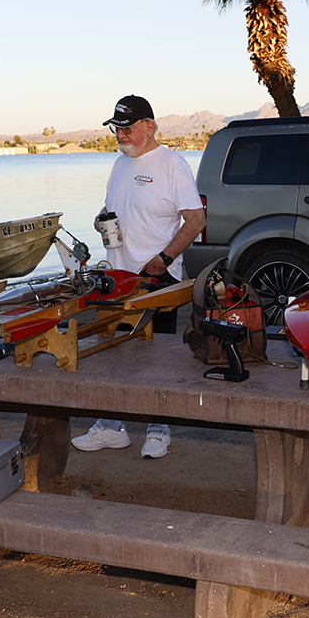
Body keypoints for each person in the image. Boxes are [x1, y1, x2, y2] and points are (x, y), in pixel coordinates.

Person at [71, 95, 206, 459]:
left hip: (156, 278)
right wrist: (102, 220)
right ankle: (113, 428)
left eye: (127, 128)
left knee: (153, 357)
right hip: (117, 276)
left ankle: (158, 429)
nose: (120, 135)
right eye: (116, 128)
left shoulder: (172, 165)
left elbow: (196, 220)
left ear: (149, 127)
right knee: (114, 354)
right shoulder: (118, 165)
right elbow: (113, 208)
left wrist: (165, 258)